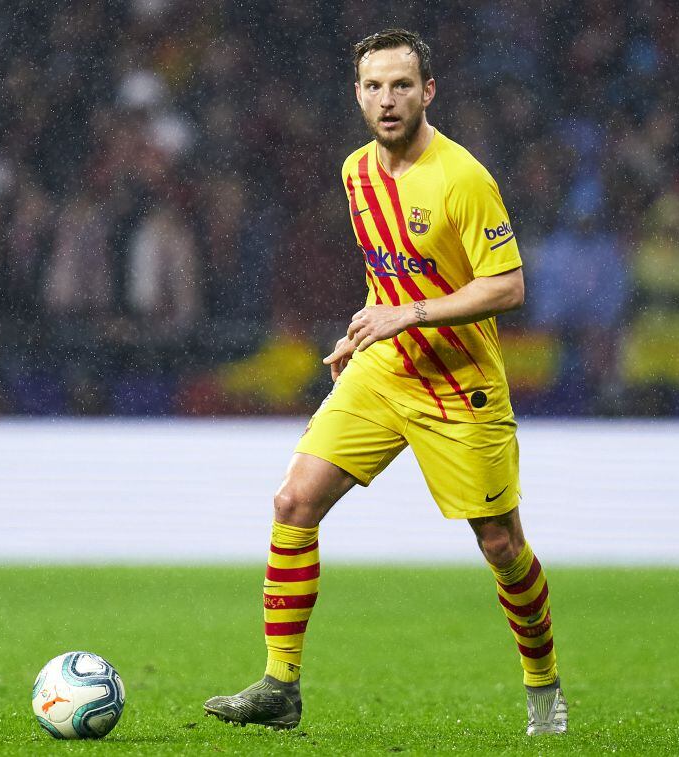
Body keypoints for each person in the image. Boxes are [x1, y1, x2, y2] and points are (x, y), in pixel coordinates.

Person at [203, 29, 566, 737]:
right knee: (294, 501)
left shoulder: (463, 177)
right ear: (358, 95)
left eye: (402, 85)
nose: (387, 100)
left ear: (428, 91)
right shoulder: (355, 173)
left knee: (500, 544)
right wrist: (367, 325)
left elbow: (510, 286)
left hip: (460, 384)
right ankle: (280, 683)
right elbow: (392, 270)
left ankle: (544, 686)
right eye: (373, 87)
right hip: (385, 370)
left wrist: (410, 313)